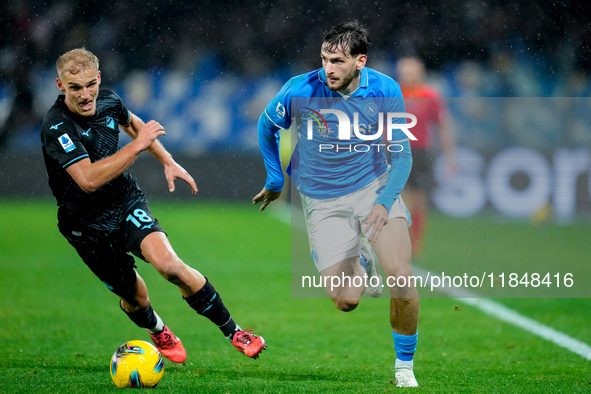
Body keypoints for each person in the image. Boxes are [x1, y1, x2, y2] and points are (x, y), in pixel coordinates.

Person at [40, 48, 266, 363]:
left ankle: (235, 331)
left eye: (90, 84)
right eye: (75, 87)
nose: (85, 94)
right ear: (61, 85)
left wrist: (167, 161)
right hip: (85, 225)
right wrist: (138, 146)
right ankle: (158, 328)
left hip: (123, 201)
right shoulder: (57, 126)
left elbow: (134, 125)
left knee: (169, 265)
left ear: (99, 78)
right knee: (135, 297)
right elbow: (88, 179)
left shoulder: (108, 101)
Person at [253, 21, 420, 387]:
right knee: (346, 300)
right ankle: (360, 258)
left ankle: (404, 367)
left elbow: (402, 157)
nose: (328, 68)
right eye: (325, 59)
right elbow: (267, 128)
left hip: (373, 186)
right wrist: (275, 179)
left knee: (403, 278)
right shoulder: (299, 89)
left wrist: (384, 202)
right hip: (321, 198)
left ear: (360, 61)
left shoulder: (385, 90)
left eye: (338, 61)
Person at [396, 56, 456, 257]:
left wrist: (450, 157)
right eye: (404, 71)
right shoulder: (393, 94)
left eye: (410, 71)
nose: (407, 75)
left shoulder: (430, 96)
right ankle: (398, 242)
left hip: (421, 152)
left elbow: (443, 126)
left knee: (419, 199)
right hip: (397, 150)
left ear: (420, 72)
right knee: (396, 199)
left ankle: (415, 244)